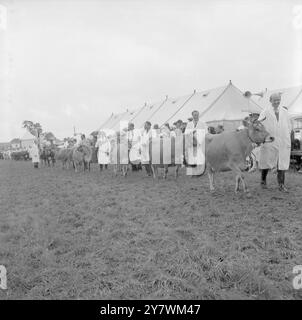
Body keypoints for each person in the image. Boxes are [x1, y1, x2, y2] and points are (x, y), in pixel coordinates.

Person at [258, 92, 292, 192]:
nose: (277, 102)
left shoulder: (285, 112)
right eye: (275, 100)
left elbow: (289, 125)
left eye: (278, 99)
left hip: (282, 140)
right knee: (266, 161)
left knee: (282, 162)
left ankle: (281, 185)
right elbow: (260, 124)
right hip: (270, 140)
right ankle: (263, 180)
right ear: (270, 100)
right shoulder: (265, 111)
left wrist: (287, 135)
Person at [185, 110, 207, 176]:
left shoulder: (203, 123)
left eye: (197, 115)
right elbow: (186, 133)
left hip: (200, 143)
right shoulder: (189, 124)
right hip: (191, 143)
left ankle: (199, 173)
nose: (196, 116)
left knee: (200, 158)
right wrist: (192, 132)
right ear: (192, 115)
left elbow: (206, 132)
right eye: (194, 115)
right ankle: (192, 173)